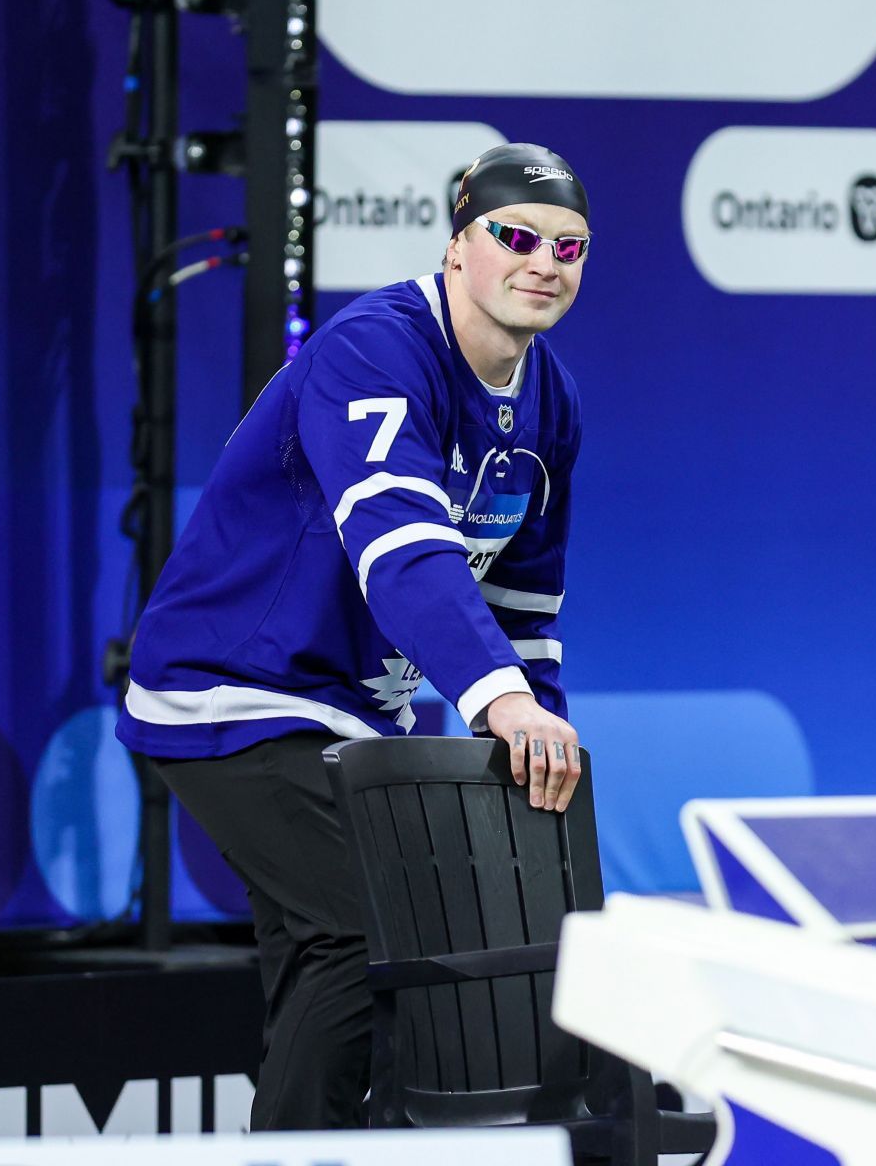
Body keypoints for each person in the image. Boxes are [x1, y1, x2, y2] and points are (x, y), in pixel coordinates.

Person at [115, 142, 592, 1130]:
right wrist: (496, 699)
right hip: (233, 685)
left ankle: (304, 1150)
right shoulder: (375, 346)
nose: (544, 261)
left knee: (328, 956)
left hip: (356, 710)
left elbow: (526, 602)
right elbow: (403, 544)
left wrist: (537, 720)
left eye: (570, 245)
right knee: (372, 926)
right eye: (516, 236)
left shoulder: (552, 399)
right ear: (459, 245)